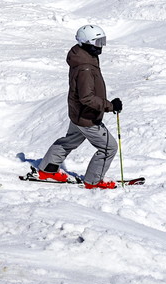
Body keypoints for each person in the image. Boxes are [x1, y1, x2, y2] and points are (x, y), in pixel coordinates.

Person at [35, 25, 123, 188]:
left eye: (102, 41)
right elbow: (87, 98)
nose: (101, 46)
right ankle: (93, 181)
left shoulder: (84, 56)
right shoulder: (85, 67)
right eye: (98, 42)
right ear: (87, 42)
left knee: (70, 141)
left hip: (78, 113)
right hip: (87, 116)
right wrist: (110, 106)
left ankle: (47, 169)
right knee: (108, 147)